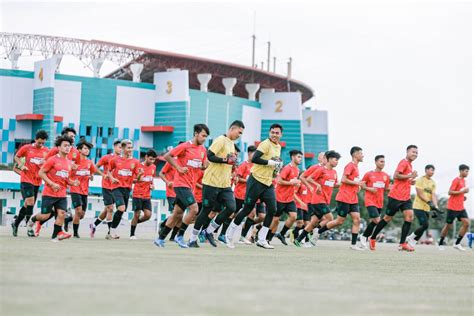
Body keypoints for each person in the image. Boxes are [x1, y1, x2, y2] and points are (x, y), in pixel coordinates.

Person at [225, 123, 284, 249]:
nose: (274, 135)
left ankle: (262, 239)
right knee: (247, 209)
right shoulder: (265, 144)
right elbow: (256, 159)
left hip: (268, 183)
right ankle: (229, 235)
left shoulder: (278, 147)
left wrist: (276, 169)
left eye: (277, 133)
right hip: (256, 180)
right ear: (269, 133)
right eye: (272, 132)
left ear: (281, 134)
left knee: (273, 210)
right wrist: (271, 162)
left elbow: (273, 164)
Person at [188, 120, 244, 248]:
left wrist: (233, 164)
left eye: (241, 133)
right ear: (232, 129)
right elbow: (210, 155)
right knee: (206, 210)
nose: (239, 135)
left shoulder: (231, 144)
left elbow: (228, 161)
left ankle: (208, 231)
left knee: (231, 208)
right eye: (239, 132)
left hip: (225, 184)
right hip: (211, 182)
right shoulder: (221, 140)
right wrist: (225, 160)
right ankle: (192, 239)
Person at [153, 124, 209, 248]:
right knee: (194, 209)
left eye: (206, 136)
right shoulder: (185, 146)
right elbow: (167, 156)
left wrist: (208, 164)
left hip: (190, 186)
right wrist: (178, 167)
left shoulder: (203, 150)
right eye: (203, 135)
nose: (204, 138)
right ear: (196, 133)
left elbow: (203, 166)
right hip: (181, 184)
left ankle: (160, 238)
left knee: (177, 213)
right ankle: (180, 236)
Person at [27, 135, 79, 241]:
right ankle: (32, 220)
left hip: (62, 194)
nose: (67, 148)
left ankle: (55, 236)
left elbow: (66, 179)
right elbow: (41, 172)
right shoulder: (52, 160)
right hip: (49, 193)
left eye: (69, 146)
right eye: (65, 145)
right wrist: (51, 183)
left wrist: (73, 183)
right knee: (45, 216)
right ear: (58, 148)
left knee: (62, 213)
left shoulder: (69, 163)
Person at [369, 145, 419, 252]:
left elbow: (403, 179)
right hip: (395, 196)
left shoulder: (409, 165)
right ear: (407, 152)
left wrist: (410, 181)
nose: (415, 154)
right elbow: (396, 176)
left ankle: (402, 244)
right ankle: (372, 238)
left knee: (409, 216)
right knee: (387, 218)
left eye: (416, 153)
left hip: (405, 197)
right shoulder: (404, 162)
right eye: (413, 152)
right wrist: (410, 176)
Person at [316, 146, 365, 250]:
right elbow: (343, 179)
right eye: (361, 153)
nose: (362, 155)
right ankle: (317, 232)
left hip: (353, 199)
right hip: (344, 197)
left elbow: (352, 182)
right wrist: (357, 183)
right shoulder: (350, 166)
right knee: (339, 221)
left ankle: (353, 245)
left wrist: (358, 186)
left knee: (357, 220)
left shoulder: (356, 167)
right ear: (355, 155)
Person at [294, 150, 340, 247]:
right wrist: (315, 186)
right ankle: (316, 235)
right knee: (330, 218)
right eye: (336, 160)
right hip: (318, 199)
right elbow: (309, 178)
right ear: (329, 159)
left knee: (313, 222)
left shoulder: (334, 172)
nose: (337, 162)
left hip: (325, 200)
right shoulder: (321, 169)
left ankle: (298, 240)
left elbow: (334, 184)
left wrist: (346, 184)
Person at [11, 129, 49, 237]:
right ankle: (29, 227)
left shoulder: (46, 151)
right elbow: (16, 157)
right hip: (26, 179)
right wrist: (21, 165)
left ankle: (16, 223)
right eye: (39, 142)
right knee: (31, 202)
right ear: (35, 139)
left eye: (43, 143)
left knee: (28, 204)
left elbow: (48, 164)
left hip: (37, 181)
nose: (41, 144)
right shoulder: (27, 148)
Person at [67, 141, 102, 238]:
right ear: (79, 150)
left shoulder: (89, 162)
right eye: (85, 148)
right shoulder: (73, 164)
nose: (87, 151)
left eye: (88, 149)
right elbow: (67, 174)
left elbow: (92, 172)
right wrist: (71, 182)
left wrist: (91, 176)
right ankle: (75, 233)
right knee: (78, 210)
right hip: (75, 189)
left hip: (84, 191)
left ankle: (68, 220)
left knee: (81, 215)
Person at [108, 139, 143, 239]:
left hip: (127, 188)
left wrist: (140, 175)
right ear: (123, 148)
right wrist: (112, 178)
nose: (130, 149)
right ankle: (112, 230)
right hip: (116, 187)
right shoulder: (115, 160)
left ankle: (111, 230)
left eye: (131, 147)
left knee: (122, 210)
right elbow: (109, 171)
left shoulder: (135, 162)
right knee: (121, 208)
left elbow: (137, 179)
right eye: (128, 147)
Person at [90, 140, 122, 238]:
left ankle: (94, 225)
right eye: (119, 147)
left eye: (122, 147)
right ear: (114, 147)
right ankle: (110, 233)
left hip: (117, 187)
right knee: (111, 209)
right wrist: (103, 174)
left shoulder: (122, 160)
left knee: (107, 210)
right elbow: (95, 167)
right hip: (106, 187)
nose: (121, 149)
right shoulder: (107, 157)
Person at [359, 155, 391, 248]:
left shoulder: (386, 176)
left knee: (373, 222)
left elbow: (386, 188)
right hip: (370, 201)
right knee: (377, 220)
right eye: (381, 161)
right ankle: (367, 237)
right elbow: (361, 185)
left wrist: (392, 188)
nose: (383, 163)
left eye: (384, 162)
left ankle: (364, 236)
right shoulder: (369, 174)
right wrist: (370, 189)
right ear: (376, 162)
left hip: (380, 202)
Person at [272, 150, 303, 246]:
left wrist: (295, 183)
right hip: (280, 197)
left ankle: (281, 234)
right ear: (293, 157)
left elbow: (293, 183)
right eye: (299, 157)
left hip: (289, 199)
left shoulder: (297, 170)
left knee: (294, 216)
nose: (300, 159)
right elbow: (279, 181)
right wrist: (291, 183)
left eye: (301, 157)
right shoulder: (287, 168)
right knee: (275, 220)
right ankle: (266, 237)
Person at [406, 165, 439, 248]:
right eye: (431, 170)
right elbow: (420, 194)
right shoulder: (420, 180)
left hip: (427, 208)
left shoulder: (433, 183)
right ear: (426, 170)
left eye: (433, 171)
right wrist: (429, 202)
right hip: (418, 206)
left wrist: (435, 206)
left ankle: (412, 243)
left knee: (423, 226)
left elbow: (433, 195)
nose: (433, 172)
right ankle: (411, 237)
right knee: (425, 225)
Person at [438, 164, 470, 251]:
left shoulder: (464, 181)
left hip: (461, 208)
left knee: (466, 223)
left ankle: (457, 243)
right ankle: (440, 243)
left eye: (468, 171)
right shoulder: (456, 180)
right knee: (448, 225)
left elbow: (458, 193)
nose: (467, 173)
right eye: (466, 171)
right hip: (452, 207)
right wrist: (463, 191)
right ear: (461, 171)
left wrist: (463, 197)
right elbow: (450, 192)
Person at [130, 149, 157, 239]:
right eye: (150, 159)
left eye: (153, 160)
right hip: (137, 194)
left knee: (148, 215)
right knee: (137, 214)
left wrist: (152, 185)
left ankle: (134, 223)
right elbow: (133, 180)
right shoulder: (138, 165)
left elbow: (151, 179)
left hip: (147, 195)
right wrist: (139, 176)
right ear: (146, 157)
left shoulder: (153, 167)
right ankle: (132, 234)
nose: (152, 161)